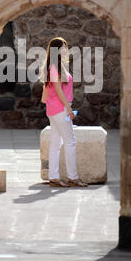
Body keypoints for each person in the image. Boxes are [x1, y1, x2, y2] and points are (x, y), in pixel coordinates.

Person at [40, 37, 88, 188]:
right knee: (70, 142)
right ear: (56, 50)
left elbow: (49, 90)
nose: (65, 50)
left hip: (54, 110)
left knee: (56, 142)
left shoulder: (54, 66)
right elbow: (59, 91)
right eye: (62, 47)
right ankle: (73, 177)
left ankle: (54, 177)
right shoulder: (56, 67)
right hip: (61, 110)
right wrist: (68, 109)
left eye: (66, 47)